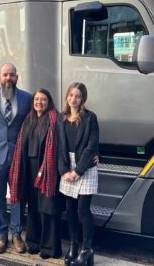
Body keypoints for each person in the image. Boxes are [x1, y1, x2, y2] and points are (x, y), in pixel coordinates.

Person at [0, 63, 32, 254]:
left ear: (17, 77)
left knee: (17, 197)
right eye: (5, 75)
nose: (8, 78)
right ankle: (1, 235)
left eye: (12, 75)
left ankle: (17, 234)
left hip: (19, 156)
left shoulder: (27, 98)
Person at [9, 89, 64, 259]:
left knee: (47, 209)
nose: (39, 102)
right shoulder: (28, 120)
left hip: (48, 170)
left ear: (49, 102)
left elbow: (63, 144)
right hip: (29, 169)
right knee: (32, 208)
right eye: (37, 99)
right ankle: (33, 243)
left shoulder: (55, 119)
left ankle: (49, 248)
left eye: (43, 99)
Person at [58, 82, 99, 266]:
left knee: (83, 210)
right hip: (67, 167)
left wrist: (78, 171)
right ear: (67, 96)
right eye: (71, 95)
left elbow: (91, 147)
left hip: (86, 166)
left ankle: (86, 249)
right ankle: (73, 245)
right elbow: (59, 148)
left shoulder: (90, 118)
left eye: (78, 96)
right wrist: (64, 171)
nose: (74, 98)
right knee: (71, 210)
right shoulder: (61, 118)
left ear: (83, 99)